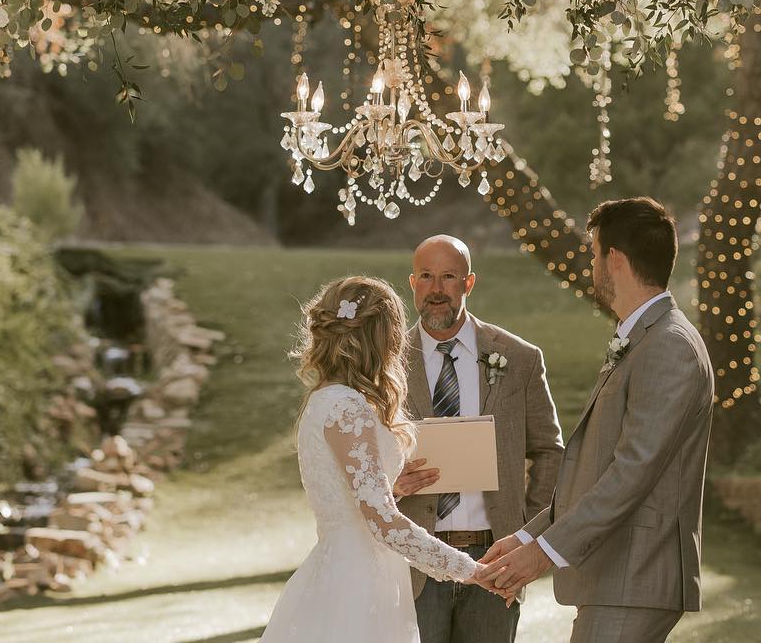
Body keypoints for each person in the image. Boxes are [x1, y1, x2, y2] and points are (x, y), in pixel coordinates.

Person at [477, 196, 715, 642]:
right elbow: (598, 469)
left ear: (616, 260)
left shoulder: (669, 346)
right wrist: (529, 538)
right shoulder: (645, 338)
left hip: (637, 573)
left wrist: (543, 553)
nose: (591, 266)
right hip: (617, 575)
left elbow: (631, 473)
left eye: (593, 254)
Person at [261, 276, 494, 643]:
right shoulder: (348, 406)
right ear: (381, 338)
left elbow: (349, 495)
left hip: (345, 569)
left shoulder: (324, 399)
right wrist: (468, 569)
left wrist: (390, 487)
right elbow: (383, 523)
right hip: (357, 584)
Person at [391, 235, 565, 643]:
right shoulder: (387, 360)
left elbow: (549, 451)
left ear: (469, 283)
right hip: (414, 560)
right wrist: (388, 483)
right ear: (412, 282)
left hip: (493, 561)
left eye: (448, 276)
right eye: (427, 277)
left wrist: (528, 531)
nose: (436, 289)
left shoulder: (519, 357)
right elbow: (360, 454)